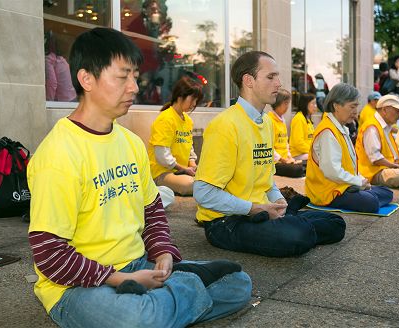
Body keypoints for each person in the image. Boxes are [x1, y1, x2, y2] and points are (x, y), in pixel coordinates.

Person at [27, 28, 251, 328]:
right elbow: (50, 252)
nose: (134, 87)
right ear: (86, 79)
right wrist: (122, 279)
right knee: (138, 318)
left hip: (138, 264)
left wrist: (162, 253)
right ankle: (174, 294)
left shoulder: (130, 142)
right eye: (123, 77)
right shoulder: (58, 154)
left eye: (135, 77)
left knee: (239, 282)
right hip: (76, 287)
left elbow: (152, 208)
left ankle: (163, 295)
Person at [193, 51, 346, 257]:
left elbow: (267, 179)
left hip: (260, 211)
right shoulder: (225, 125)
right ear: (248, 80)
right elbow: (203, 193)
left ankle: (290, 220)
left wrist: (278, 201)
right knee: (298, 236)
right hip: (225, 222)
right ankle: (293, 224)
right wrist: (254, 208)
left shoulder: (265, 121)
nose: (279, 84)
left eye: (278, 77)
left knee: (337, 224)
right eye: (270, 77)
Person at [306, 83, 393, 213]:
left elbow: (349, 166)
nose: (355, 112)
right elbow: (332, 171)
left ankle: (364, 194)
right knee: (372, 202)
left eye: (356, 107)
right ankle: (365, 195)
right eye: (352, 106)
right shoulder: (328, 131)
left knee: (387, 192)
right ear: (336, 106)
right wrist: (359, 182)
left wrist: (360, 181)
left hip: (344, 186)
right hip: (329, 192)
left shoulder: (339, 127)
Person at [148, 76, 202, 196]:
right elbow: (162, 156)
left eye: (196, 101)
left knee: (206, 179)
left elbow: (190, 149)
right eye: (192, 99)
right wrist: (183, 168)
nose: (194, 104)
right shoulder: (165, 119)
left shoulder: (188, 120)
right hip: (161, 173)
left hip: (181, 171)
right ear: (180, 96)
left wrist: (193, 166)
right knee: (193, 184)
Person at [355, 95, 399, 188]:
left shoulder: (386, 126)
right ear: (385, 110)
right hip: (371, 173)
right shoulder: (372, 127)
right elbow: (376, 159)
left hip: (384, 169)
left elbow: (389, 155)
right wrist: (397, 166)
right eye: (397, 111)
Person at [268, 88, 304, 178]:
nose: (288, 106)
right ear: (277, 103)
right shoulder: (269, 120)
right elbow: (268, 147)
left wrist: (290, 157)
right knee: (297, 170)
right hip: (275, 162)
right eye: (286, 103)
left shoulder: (282, 120)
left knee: (306, 166)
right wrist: (282, 159)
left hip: (285, 160)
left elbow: (285, 144)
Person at [289, 93, 316, 160]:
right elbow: (298, 143)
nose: (315, 106)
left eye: (316, 104)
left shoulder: (307, 119)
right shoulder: (299, 118)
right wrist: (313, 151)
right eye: (313, 103)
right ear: (306, 104)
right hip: (298, 154)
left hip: (306, 152)